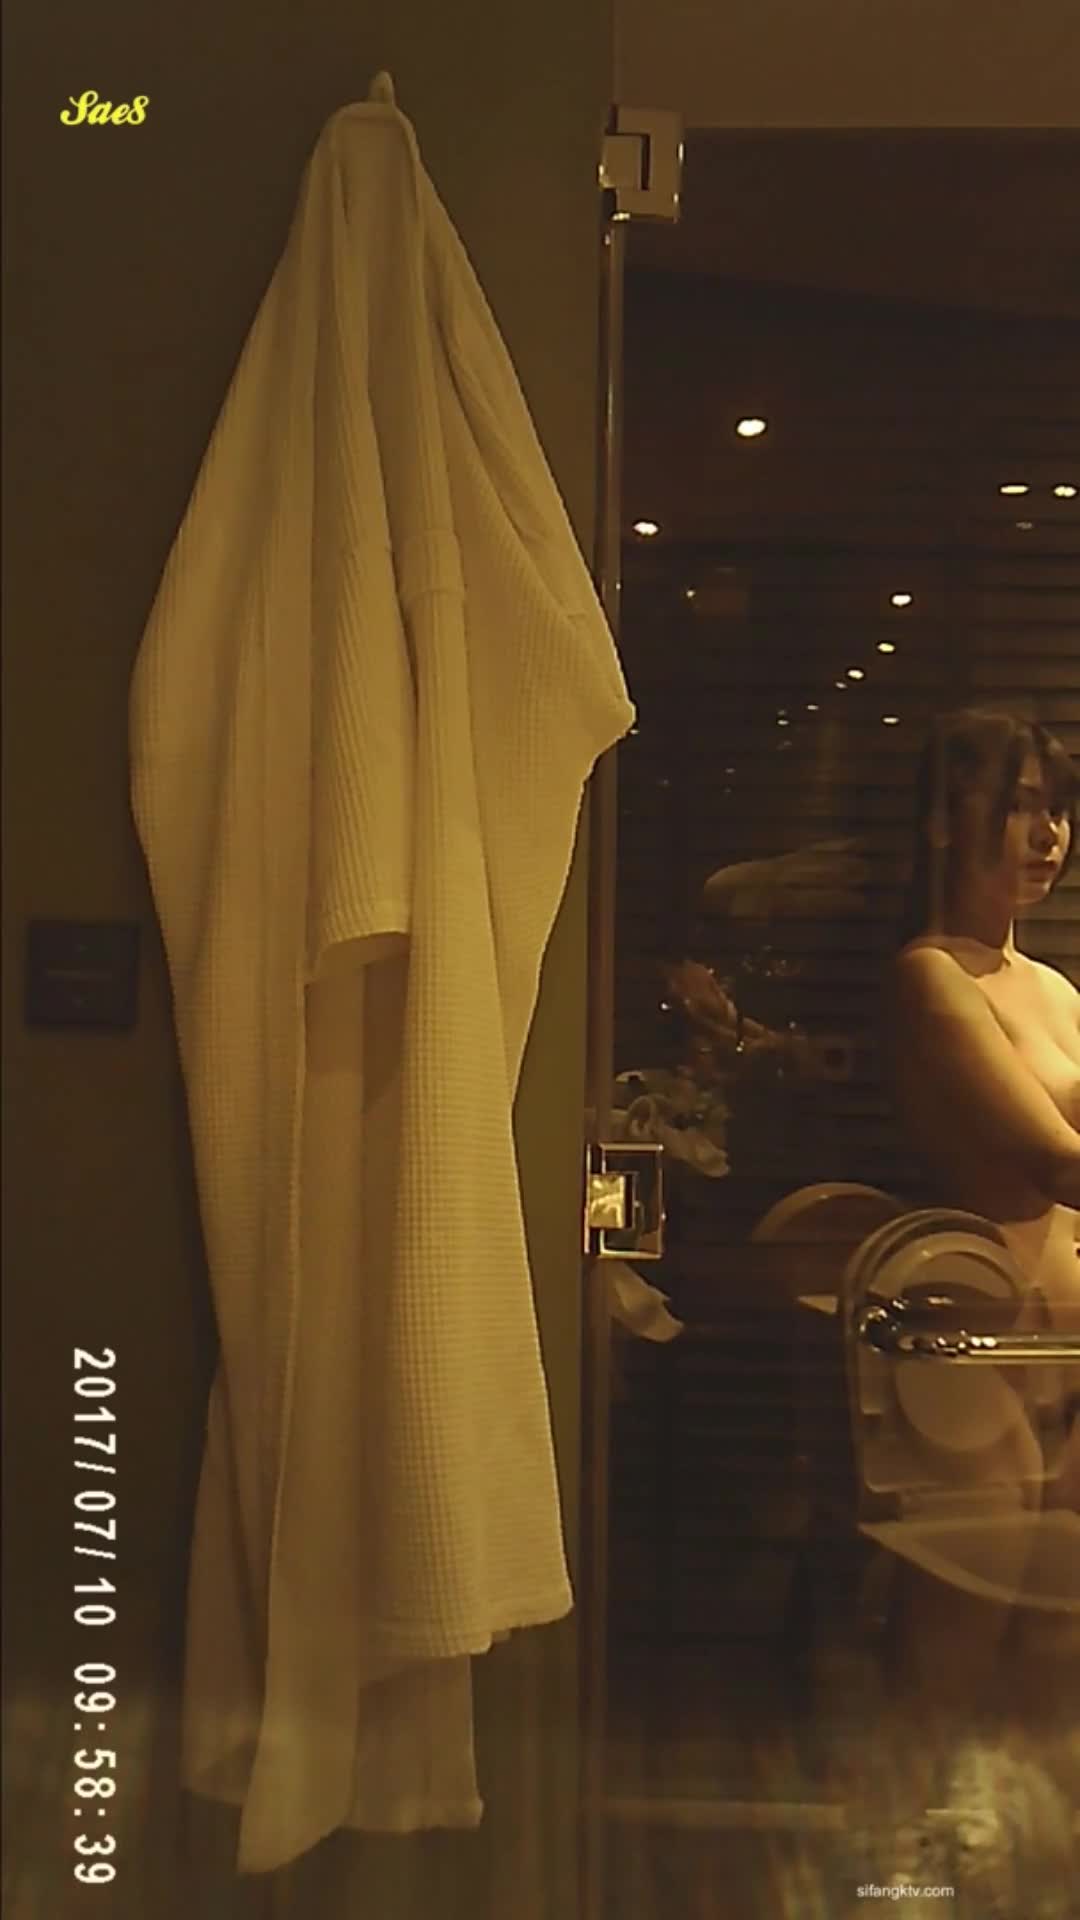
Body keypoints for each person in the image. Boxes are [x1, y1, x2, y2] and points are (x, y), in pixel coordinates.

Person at [881, 707, 1080, 1828]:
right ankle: (898, 1881)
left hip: (1066, 1359)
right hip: (972, 1360)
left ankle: (1031, 1881)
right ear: (940, 821)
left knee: (1058, 1652)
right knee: (952, 1655)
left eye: (1055, 808)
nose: (1045, 832)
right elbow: (1056, 1160)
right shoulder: (931, 978)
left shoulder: (1051, 990)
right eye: (1016, 805)